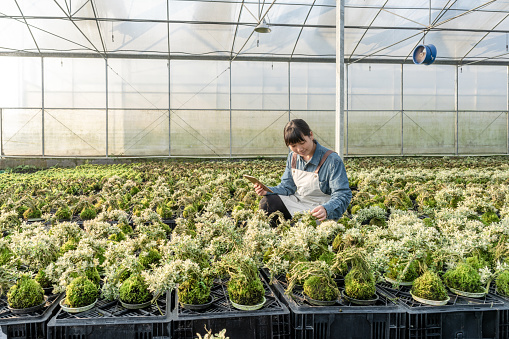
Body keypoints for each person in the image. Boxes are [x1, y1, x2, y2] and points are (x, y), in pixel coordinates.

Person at [254, 119, 351, 225]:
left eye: (302, 143)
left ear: (311, 135)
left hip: (320, 209)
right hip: (298, 202)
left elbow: (343, 194)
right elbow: (287, 187)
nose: (299, 149)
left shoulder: (332, 160)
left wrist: (327, 209)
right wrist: (267, 191)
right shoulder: (293, 157)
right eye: (293, 146)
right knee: (267, 202)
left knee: (302, 227)